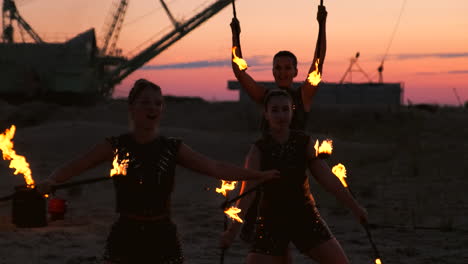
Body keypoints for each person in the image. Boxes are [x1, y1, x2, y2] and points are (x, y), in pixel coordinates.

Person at [36, 79, 280, 264]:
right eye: (145, 102)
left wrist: (259, 175)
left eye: (158, 103)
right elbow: (78, 164)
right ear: (131, 108)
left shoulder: (172, 147)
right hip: (125, 233)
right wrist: (52, 180)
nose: (152, 107)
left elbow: (215, 167)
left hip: (163, 234)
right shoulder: (116, 145)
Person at [220, 90, 368, 263]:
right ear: (266, 114)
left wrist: (355, 207)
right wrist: (231, 232)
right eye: (275, 110)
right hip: (271, 220)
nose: (280, 115)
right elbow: (248, 194)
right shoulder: (259, 150)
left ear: (292, 111)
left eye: (285, 109)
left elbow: (327, 179)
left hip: (304, 216)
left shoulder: (303, 142)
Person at [230, 5, 328, 131]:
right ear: (273, 71)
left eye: (287, 68)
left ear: (295, 72)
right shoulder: (265, 96)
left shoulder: (303, 96)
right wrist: (235, 36)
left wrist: (322, 24)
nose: (282, 72)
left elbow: (318, 61)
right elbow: (239, 72)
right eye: (278, 68)